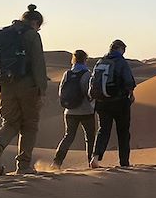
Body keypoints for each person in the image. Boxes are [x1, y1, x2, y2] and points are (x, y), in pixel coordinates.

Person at [0, 5, 48, 175]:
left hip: (3, 86)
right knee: (29, 125)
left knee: (10, 122)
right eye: (38, 25)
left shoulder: (3, 34)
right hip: (27, 86)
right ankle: (24, 165)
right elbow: (38, 64)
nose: (38, 28)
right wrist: (42, 89)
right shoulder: (32, 35)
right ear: (35, 22)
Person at [89, 40, 136, 168]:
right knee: (123, 132)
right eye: (124, 49)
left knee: (103, 130)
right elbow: (129, 81)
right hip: (119, 102)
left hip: (102, 102)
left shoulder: (100, 62)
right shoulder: (121, 62)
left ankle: (95, 157)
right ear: (119, 49)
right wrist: (131, 94)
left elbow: (92, 82)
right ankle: (124, 163)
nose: (124, 52)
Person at [51, 50, 96, 169]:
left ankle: (56, 162)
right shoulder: (87, 74)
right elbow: (89, 92)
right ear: (85, 60)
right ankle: (91, 162)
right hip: (86, 111)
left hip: (69, 112)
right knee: (90, 138)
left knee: (68, 137)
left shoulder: (67, 74)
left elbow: (61, 92)